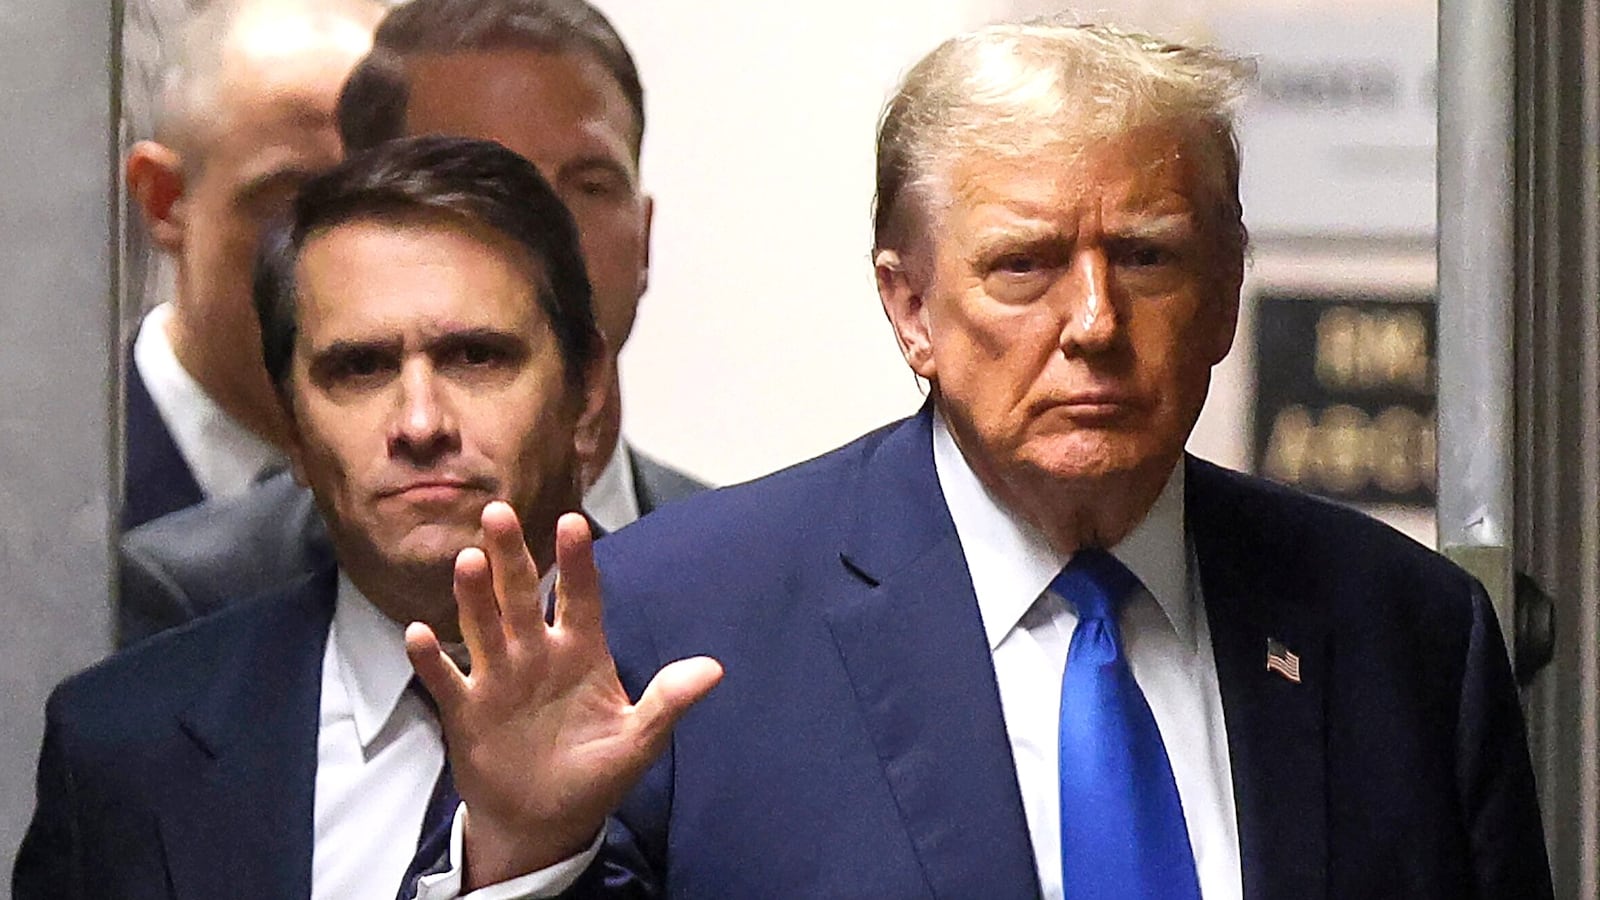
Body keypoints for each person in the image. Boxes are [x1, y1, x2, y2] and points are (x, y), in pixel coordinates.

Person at [396, 21, 1554, 898]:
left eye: (1147, 258)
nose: (1094, 321)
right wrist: (524, 859)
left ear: (1224, 296)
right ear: (909, 309)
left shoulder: (1404, 632)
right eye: (1023, 267)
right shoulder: (671, 624)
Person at [15, 136, 716, 899]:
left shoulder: (742, 699)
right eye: (359, 368)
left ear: (586, 393)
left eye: (476, 357)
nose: (419, 422)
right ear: (289, 421)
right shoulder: (123, 744)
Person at [116, 0, 709, 646]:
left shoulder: (746, 558)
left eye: (589, 184)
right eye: (479, 183)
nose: (548, 229)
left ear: (644, 232)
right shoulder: (199, 596)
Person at [121, 0, 382, 529]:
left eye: (387, 202)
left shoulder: (455, 490)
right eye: (292, 205)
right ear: (164, 199)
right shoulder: (47, 482)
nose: (355, 255)